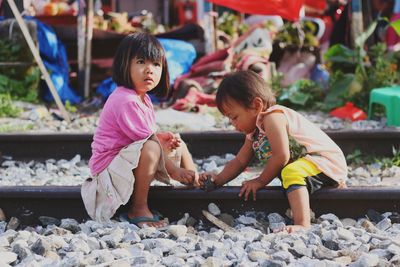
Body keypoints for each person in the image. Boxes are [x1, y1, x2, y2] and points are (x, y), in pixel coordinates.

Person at [199, 71, 347, 233]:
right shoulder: (254, 133)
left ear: (256, 105)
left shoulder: (273, 117)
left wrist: (260, 181)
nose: (232, 123)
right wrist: (218, 179)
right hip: (311, 167)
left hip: (324, 160)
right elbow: (240, 161)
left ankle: (303, 224)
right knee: (291, 173)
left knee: (291, 171)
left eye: (234, 117)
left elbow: (281, 156)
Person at [81, 32, 197, 227]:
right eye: (141, 62)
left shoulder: (142, 99)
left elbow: (142, 137)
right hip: (107, 178)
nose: (149, 70)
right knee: (152, 148)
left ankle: (194, 177)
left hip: (125, 166)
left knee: (175, 142)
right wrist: (173, 170)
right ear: (124, 65)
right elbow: (147, 142)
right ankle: (138, 208)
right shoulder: (125, 99)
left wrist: (163, 140)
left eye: (156, 64)